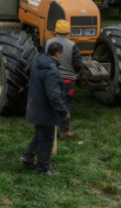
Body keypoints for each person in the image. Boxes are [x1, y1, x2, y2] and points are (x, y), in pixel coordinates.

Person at [20, 42, 70, 175]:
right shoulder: (52, 71)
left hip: (34, 106)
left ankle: (27, 156)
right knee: (47, 140)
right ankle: (43, 168)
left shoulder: (37, 61)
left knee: (41, 134)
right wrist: (63, 112)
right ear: (58, 54)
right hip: (45, 111)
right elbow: (54, 96)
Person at [44, 20, 83, 138]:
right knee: (65, 105)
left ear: (55, 31)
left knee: (50, 103)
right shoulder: (72, 46)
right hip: (67, 81)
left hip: (50, 79)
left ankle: (48, 130)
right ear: (68, 31)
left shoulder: (48, 43)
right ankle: (64, 131)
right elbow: (77, 65)